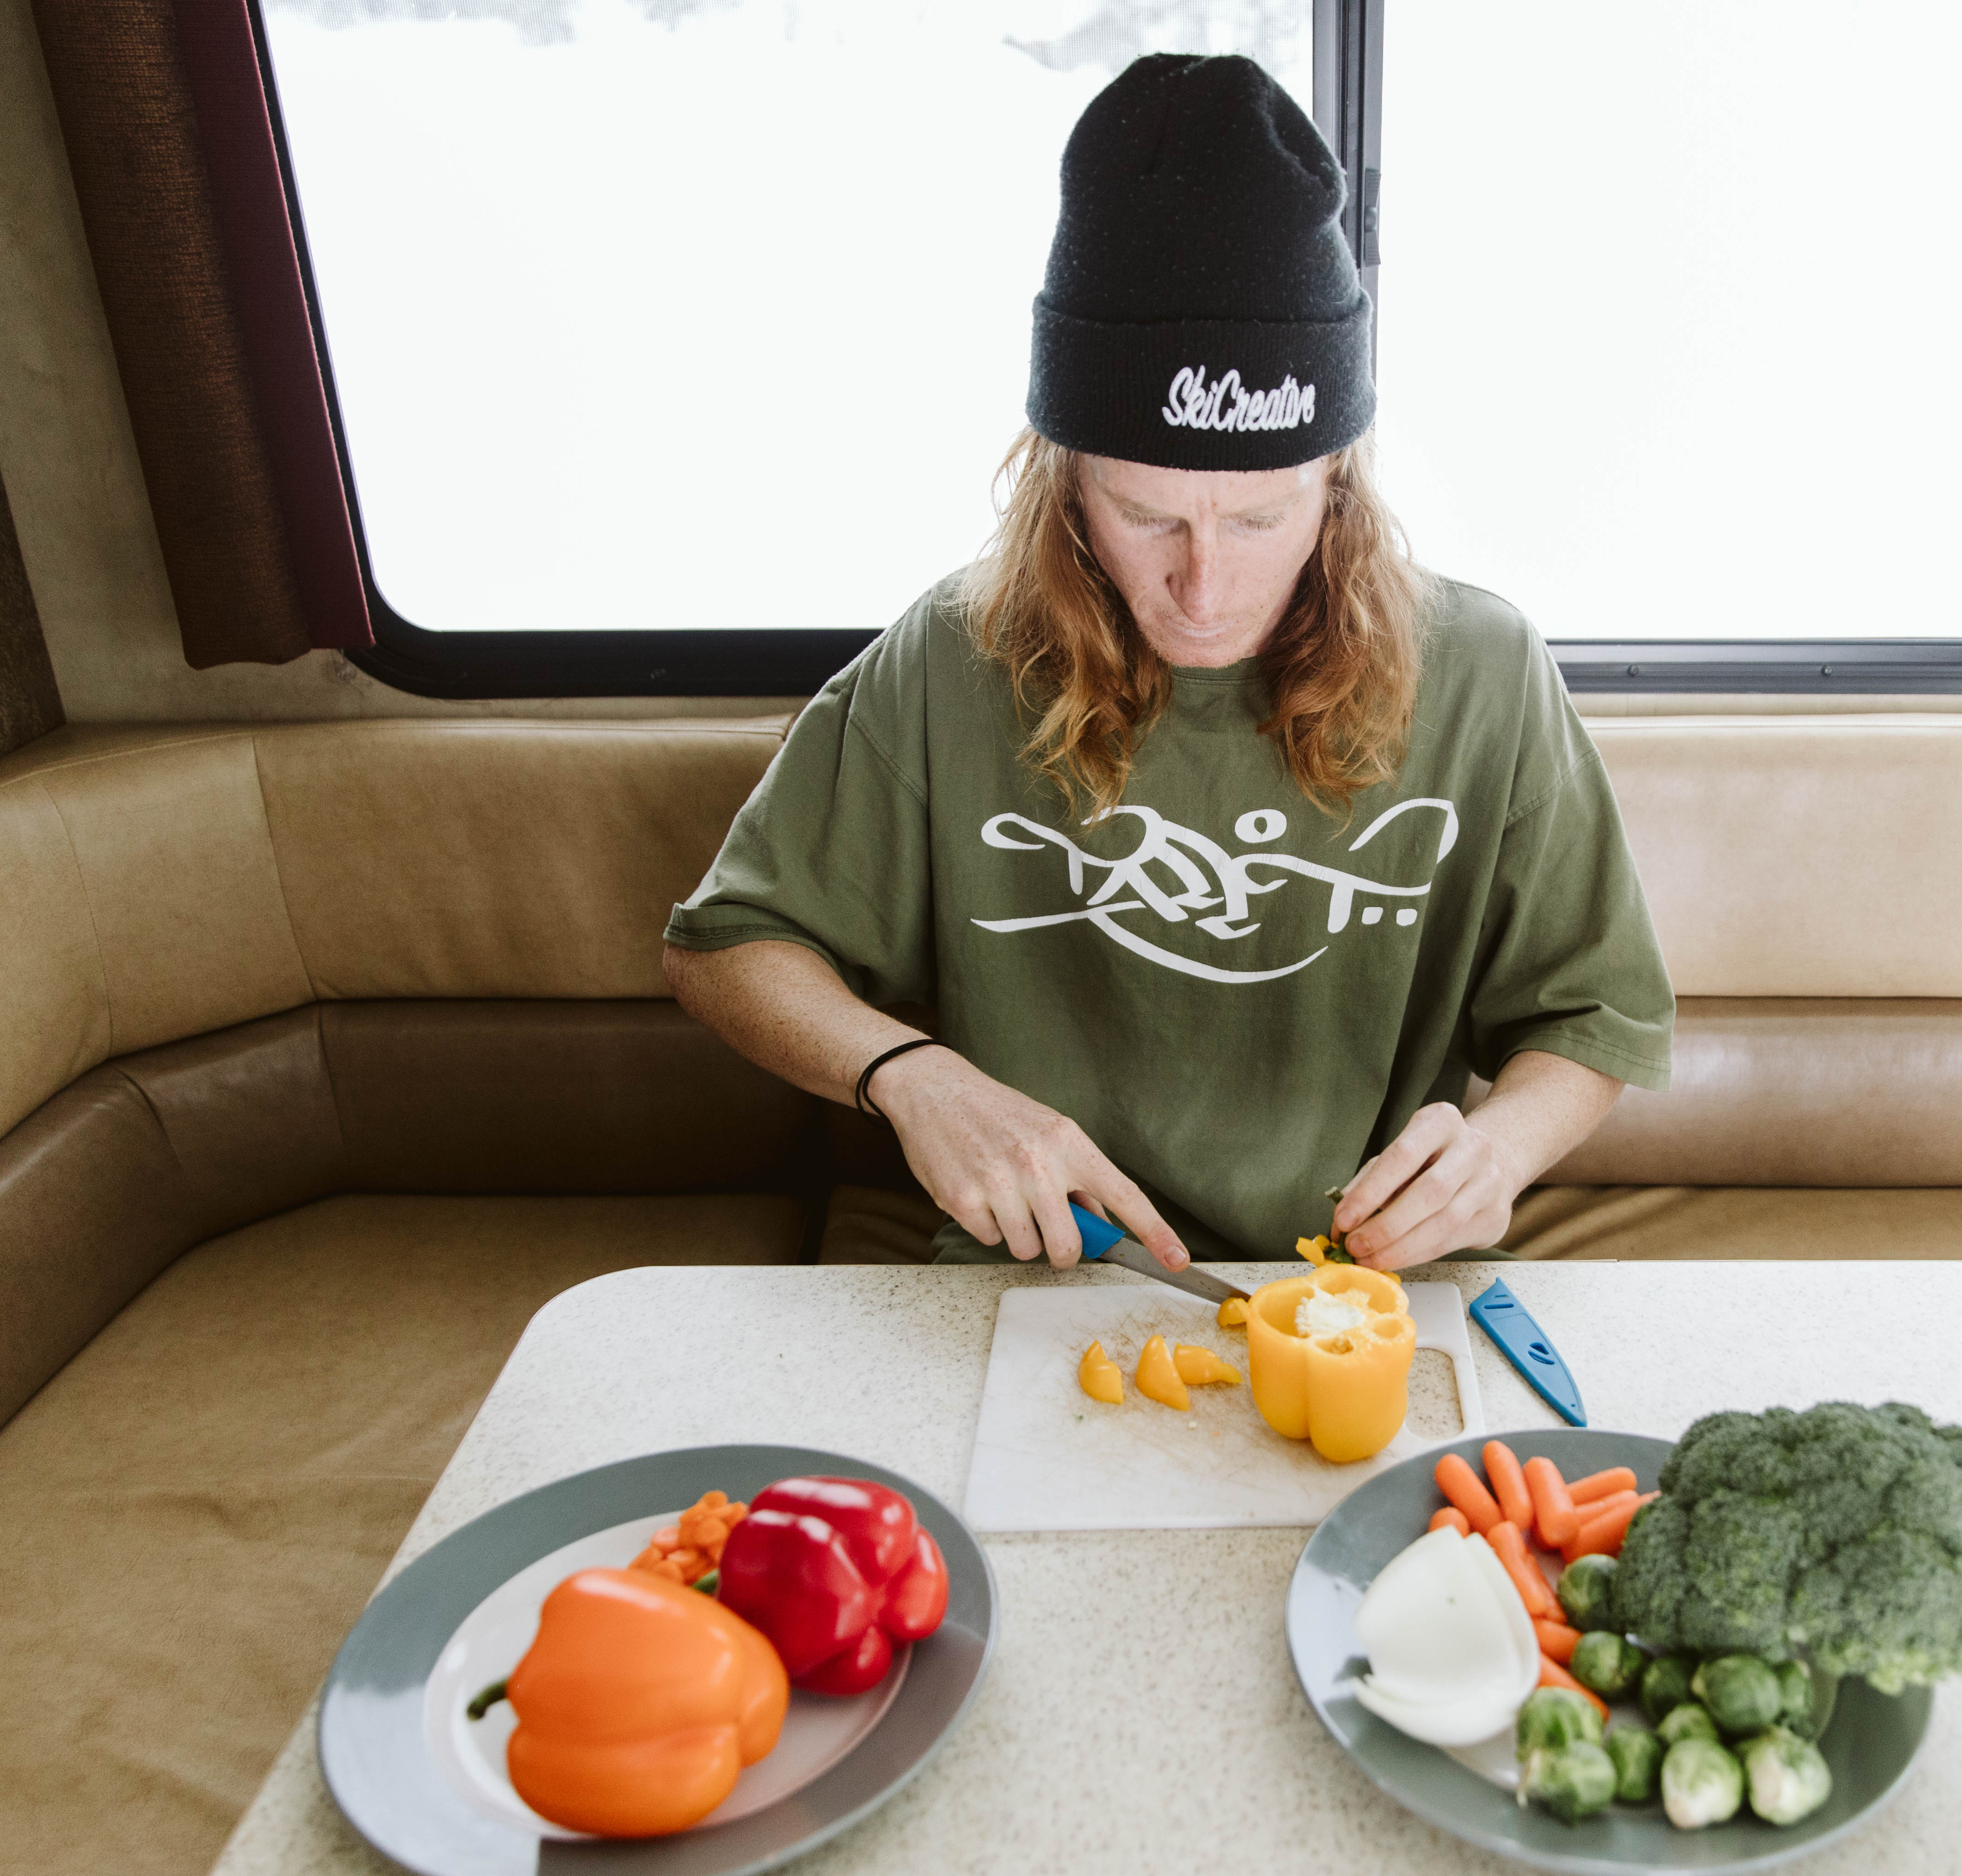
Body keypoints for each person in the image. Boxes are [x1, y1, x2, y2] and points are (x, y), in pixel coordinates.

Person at [663, 52, 1672, 1276]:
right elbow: (725, 947)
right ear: (1065, 480)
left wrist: (1498, 1155)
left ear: (1337, 483)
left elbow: (1597, 1013)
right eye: (1147, 516)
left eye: (1258, 520)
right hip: (1038, 1274)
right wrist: (909, 1077)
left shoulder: (1487, 669)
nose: (1206, 588)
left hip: (1361, 1283)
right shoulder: (950, 658)